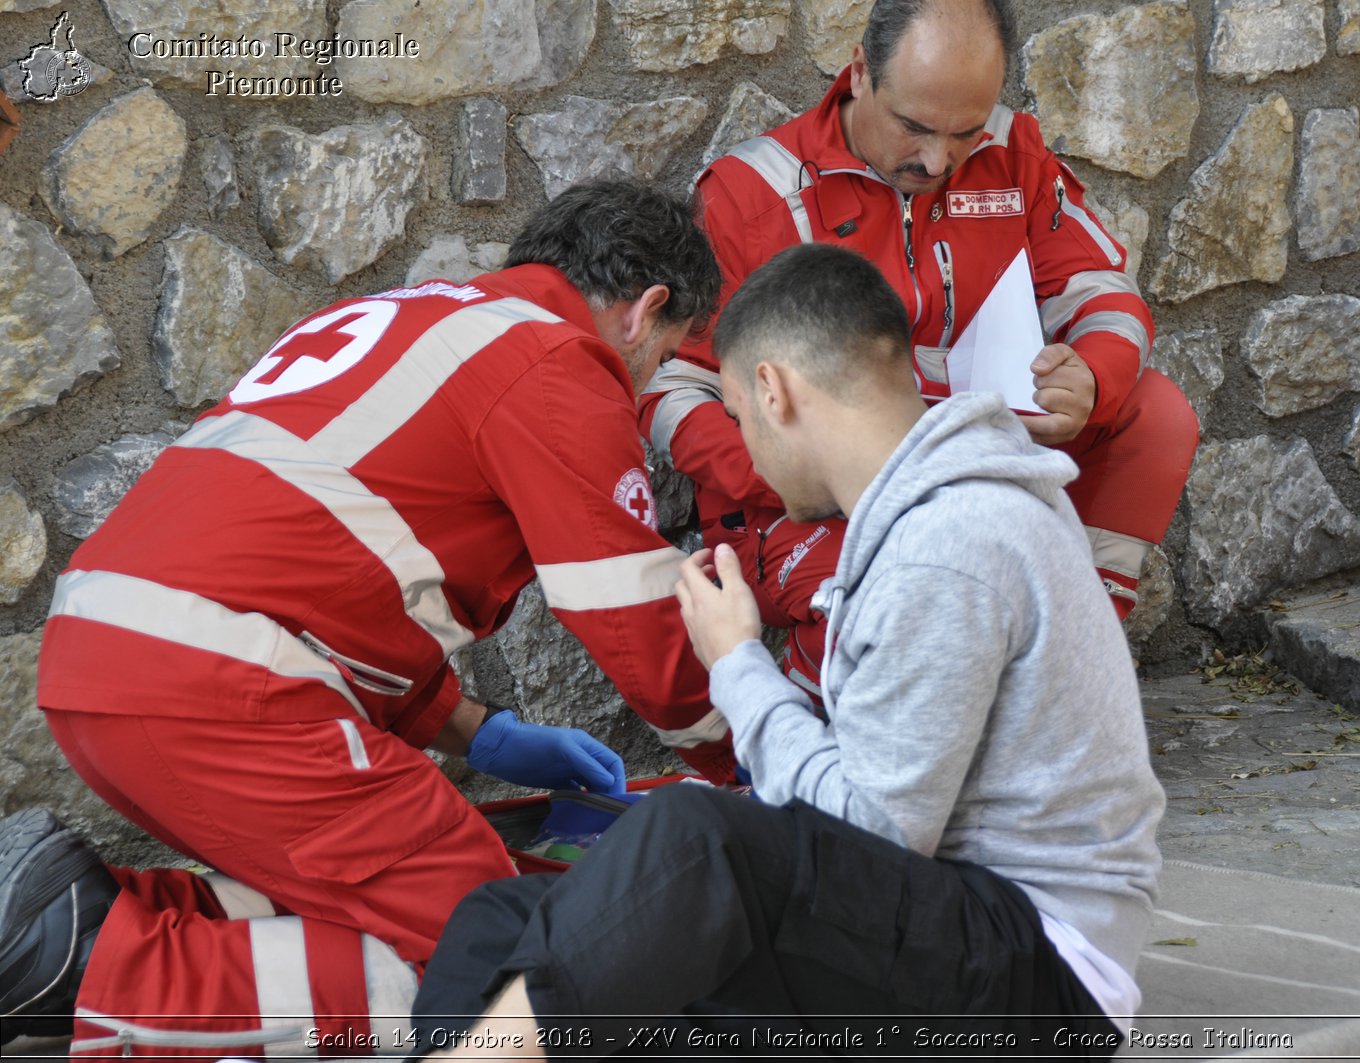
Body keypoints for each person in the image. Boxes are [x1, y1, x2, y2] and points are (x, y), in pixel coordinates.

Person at [0, 179, 732, 1056]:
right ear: (644, 310)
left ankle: (76, 921)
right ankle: (89, 980)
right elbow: (633, 622)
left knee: (362, 892)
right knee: (492, 945)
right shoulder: (556, 358)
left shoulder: (412, 316)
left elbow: (340, 572)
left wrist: (479, 732)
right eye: (663, 357)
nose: (644, 385)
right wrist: (749, 756)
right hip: (221, 677)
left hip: (111, 648)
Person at [410, 244, 1164, 1057]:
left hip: (1041, 983)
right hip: (931, 939)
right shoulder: (935, 515)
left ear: (772, 389)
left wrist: (737, 663)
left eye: (736, 415)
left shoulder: (952, 541)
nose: (747, 452)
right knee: (503, 918)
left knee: (697, 837)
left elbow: (872, 834)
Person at [640, 0, 1200, 700]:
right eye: (913, 126)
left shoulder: (1013, 149)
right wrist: (807, 475)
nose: (937, 159)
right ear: (858, 72)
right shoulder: (750, 194)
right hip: (813, 502)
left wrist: (1091, 373)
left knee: (1155, 410)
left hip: (976, 469)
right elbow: (672, 387)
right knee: (881, 678)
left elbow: (1099, 286)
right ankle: (824, 705)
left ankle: (1076, 664)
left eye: (964, 132)